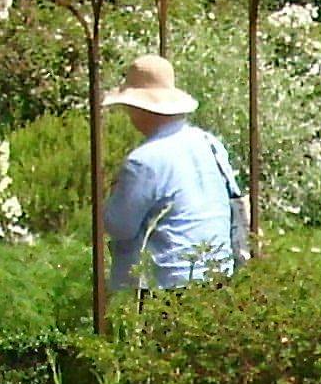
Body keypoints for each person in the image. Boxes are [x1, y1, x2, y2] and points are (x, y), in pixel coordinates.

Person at [99, 55, 243, 294]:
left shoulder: (144, 161)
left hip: (166, 283)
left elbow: (119, 225)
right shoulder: (208, 142)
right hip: (215, 273)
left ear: (142, 109)